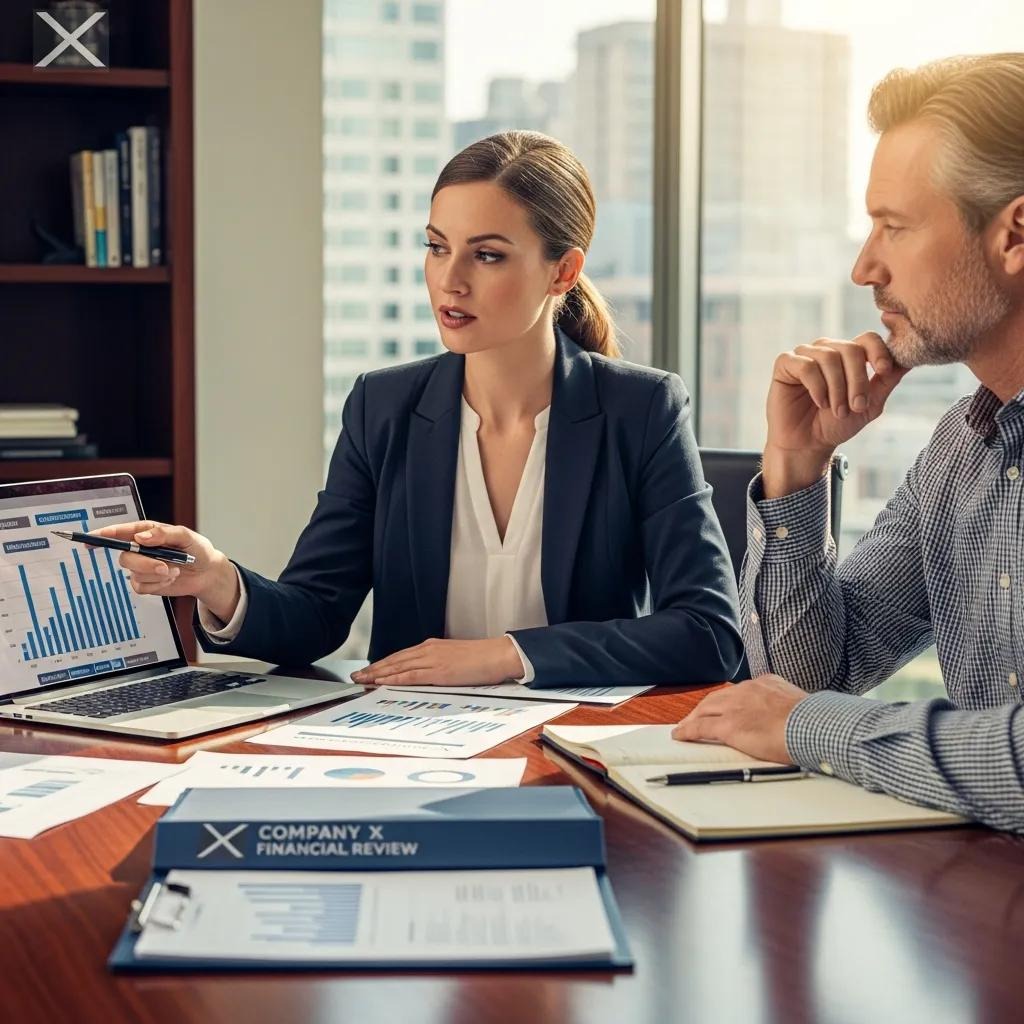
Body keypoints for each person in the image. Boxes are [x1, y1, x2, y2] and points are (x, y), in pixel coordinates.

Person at [101, 131, 743, 688]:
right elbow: (317, 613)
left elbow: (708, 631)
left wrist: (504, 656)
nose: (450, 279)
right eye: (438, 247)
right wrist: (217, 580)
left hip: (571, 747)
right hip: (410, 744)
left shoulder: (642, 409)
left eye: (487, 255)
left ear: (563, 272)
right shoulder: (383, 407)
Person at [673, 54, 1024, 833]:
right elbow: (803, 676)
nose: (864, 266)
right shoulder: (960, 452)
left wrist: (811, 727)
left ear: (1014, 235)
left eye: (894, 227)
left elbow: (795, 713)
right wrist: (799, 467)